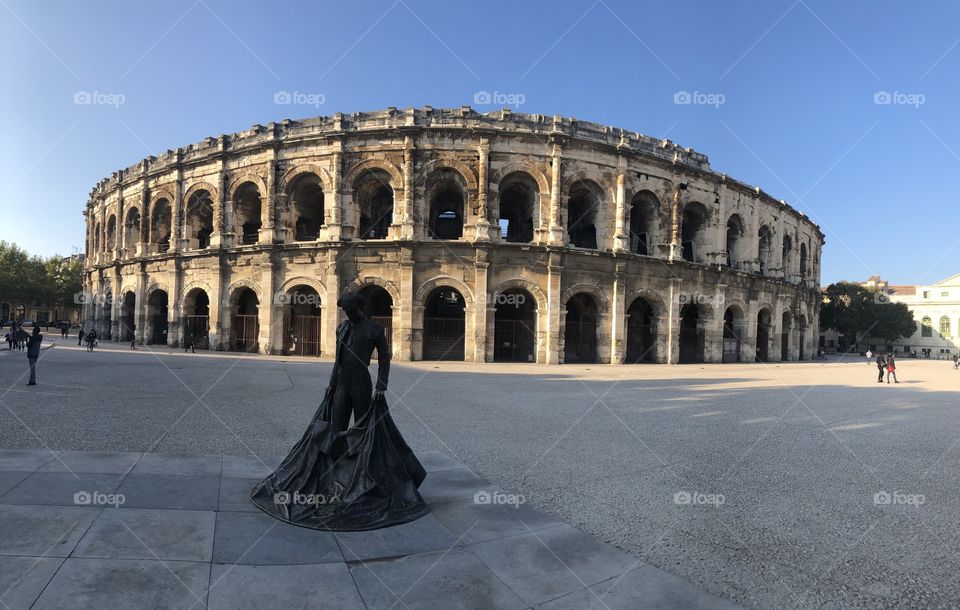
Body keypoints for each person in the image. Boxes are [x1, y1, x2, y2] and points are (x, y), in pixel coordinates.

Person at [250, 291, 427, 531]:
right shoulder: (342, 328)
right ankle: (332, 474)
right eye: (344, 309)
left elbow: (384, 358)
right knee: (335, 427)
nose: (346, 312)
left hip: (362, 383)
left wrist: (381, 386)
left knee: (364, 428)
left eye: (349, 308)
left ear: (359, 308)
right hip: (342, 383)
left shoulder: (374, 329)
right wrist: (331, 384)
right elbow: (339, 361)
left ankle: (363, 471)